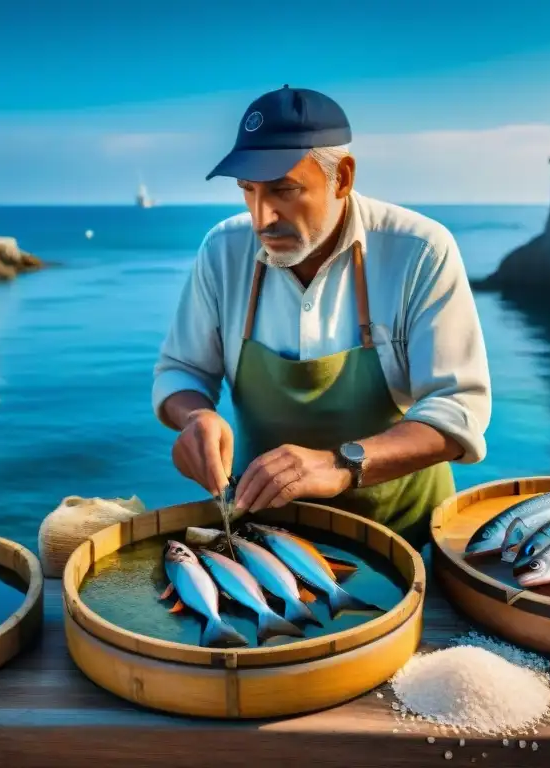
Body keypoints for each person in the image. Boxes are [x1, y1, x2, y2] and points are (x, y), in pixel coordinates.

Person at [152, 85, 491, 550]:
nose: (260, 218)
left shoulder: (421, 251)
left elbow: (460, 409)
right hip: (265, 541)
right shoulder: (221, 251)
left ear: (343, 177)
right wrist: (196, 417)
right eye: (248, 191)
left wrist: (341, 463)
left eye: (284, 191)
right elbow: (182, 370)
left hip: (407, 540)